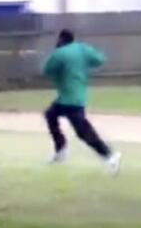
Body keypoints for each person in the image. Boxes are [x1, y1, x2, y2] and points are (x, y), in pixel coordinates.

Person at [41, 29, 122, 174]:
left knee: (83, 131)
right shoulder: (83, 48)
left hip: (68, 99)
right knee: (50, 114)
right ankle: (60, 149)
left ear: (60, 39)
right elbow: (99, 60)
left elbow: (46, 70)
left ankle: (110, 155)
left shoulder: (59, 53)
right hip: (76, 97)